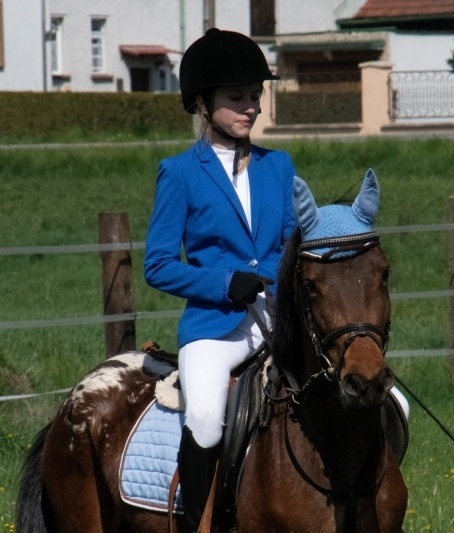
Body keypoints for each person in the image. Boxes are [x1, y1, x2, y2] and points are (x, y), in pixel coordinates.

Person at [143, 28, 296, 532]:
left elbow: (294, 249)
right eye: (237, 98)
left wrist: (271, 279)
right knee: (207, 418)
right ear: (204, 104)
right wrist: (222, 282)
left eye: (255, 95)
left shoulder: (279, 167)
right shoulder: (180, 173)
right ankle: (196, 525)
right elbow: (158, 265)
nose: (251, 107)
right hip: (215, 325)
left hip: (277, 316)